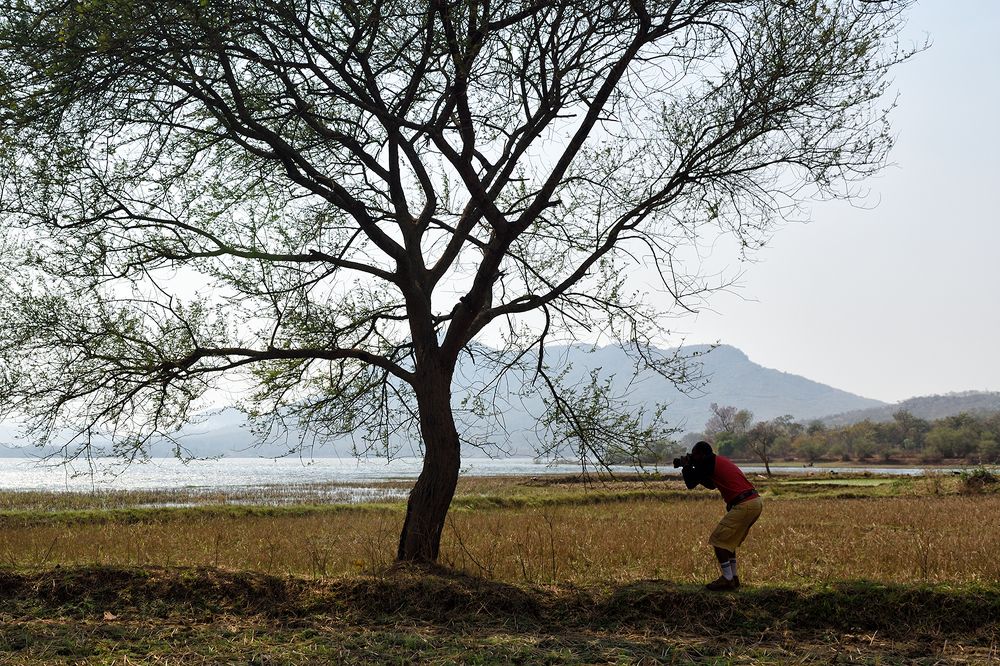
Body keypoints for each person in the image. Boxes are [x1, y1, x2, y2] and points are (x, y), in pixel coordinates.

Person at [678, 440, 762, 591]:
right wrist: (691, 466)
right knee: (728, 542)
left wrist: (686, 466)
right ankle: (733, 578)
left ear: (702, 455)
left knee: (718, 541)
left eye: (695, 455)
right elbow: (710, 484)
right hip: (753, 502)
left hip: (745, 504)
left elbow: (690, 484)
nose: (693, 457)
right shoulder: (715, 461)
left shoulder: (708, 462)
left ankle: (727, 579)